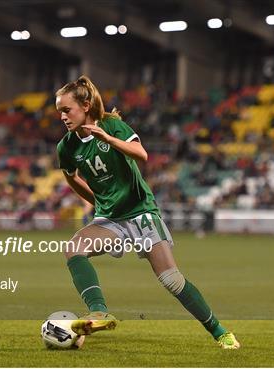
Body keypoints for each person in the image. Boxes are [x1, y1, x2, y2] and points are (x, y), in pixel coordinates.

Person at [54, 75, 240, 349]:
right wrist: (97, 201)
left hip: (141, 213)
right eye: (59, 111)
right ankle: (98, 312)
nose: (63, 117)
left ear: (85, 105)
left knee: (171, 280)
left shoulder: (112, 125)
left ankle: (220, 332)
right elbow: (71, 177)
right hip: (111, 219)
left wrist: (108, 138)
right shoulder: (66, 147)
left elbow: (141, 154)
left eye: (66, 110)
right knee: (74, 248)